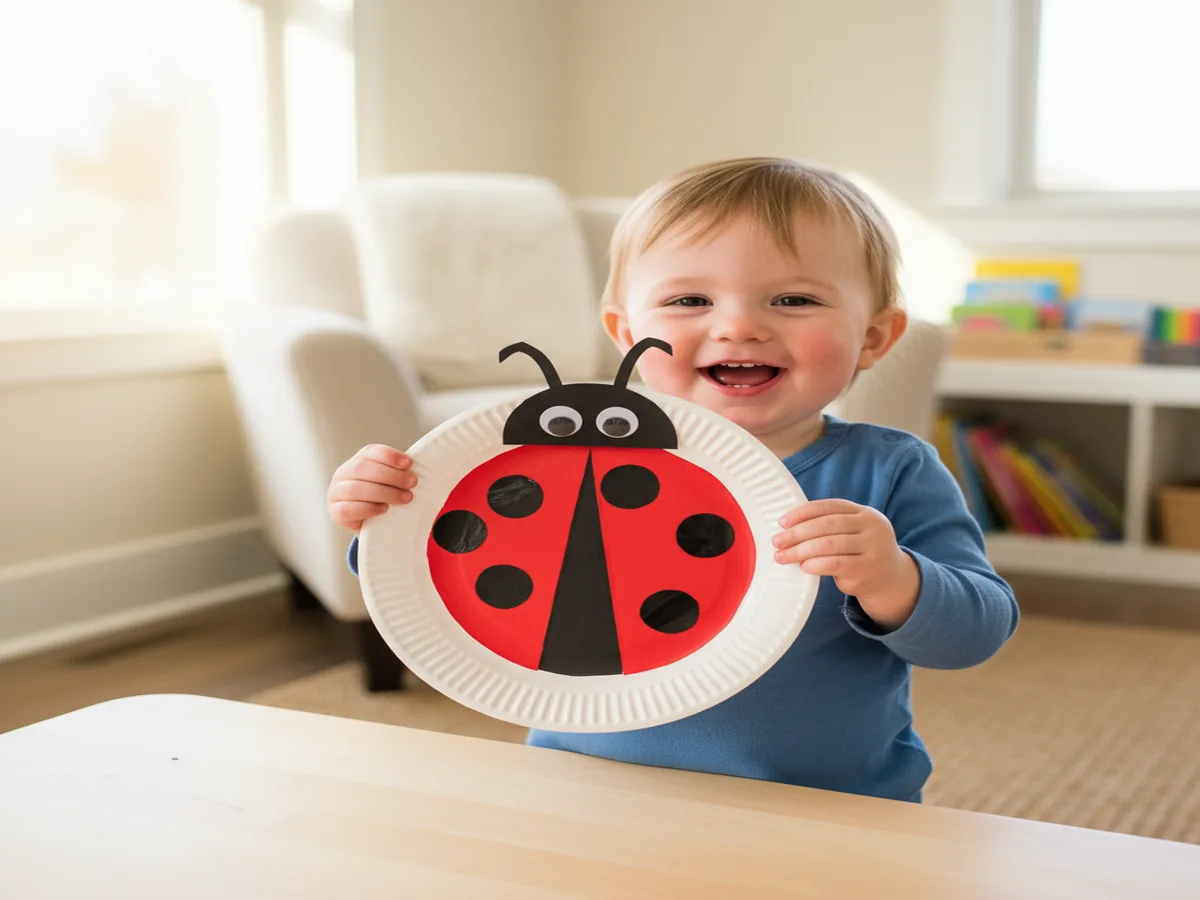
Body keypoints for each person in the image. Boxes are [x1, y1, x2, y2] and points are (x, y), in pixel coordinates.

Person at [326, 156, 1018, 802]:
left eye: (795, 300)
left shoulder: (889, 468)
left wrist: (895, 578)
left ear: (874, 336)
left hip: (823, 806)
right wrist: (384, 516)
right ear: (626, 333)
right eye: (689, 300)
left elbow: (974, 634)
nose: (740, 326)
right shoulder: (557, 459)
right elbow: (454, 566)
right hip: (582, 790)